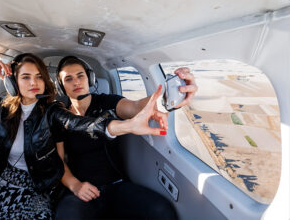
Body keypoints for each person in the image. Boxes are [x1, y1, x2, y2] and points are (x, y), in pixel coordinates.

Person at [0, 53, 167, 219]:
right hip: (0, 180)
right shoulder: (2, 107)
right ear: (13, 83)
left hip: (37, 183)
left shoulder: (52, 111)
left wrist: (131, 122)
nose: (33, 83)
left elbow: (82, 124)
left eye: (38, 77)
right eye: (25, 77)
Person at [55, 56, 197, 219]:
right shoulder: (61, 117)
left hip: (116, 186)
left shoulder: (107, 102)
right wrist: (76, 185)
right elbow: (58, 162)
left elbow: (135, 107)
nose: (76, 82)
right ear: (62, 87)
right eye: (68, 79)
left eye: (80, 75)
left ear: (89, 78)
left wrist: (169, 96)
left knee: (161, 210)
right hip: (82, 191)